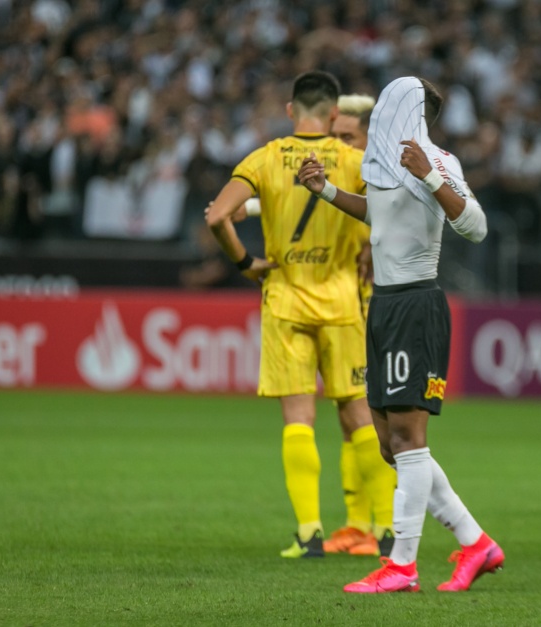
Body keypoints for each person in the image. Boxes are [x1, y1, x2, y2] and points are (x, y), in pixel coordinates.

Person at [298, 76, 503, 592]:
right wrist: (325, 190)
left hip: (417, 304)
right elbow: (380, 218)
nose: (383, 108)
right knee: (393, 445)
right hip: (384, 306)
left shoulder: (439, 161)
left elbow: (475, 225)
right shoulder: (386, 164)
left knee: (410, 440)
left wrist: (430, 175)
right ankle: (476, 544)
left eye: (393, 100)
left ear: (414, 111)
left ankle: (402, 565)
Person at [206, 71, 377, 559]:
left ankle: (309, 533)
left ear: (289, 110)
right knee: (361, 416)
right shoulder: (353, 161)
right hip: (344, 300)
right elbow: (389, 211)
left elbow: (217, 215)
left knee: (298, 419)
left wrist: (246, 263)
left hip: (285, 297)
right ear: (331, 115)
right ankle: (384, 531)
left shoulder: (264, 157)